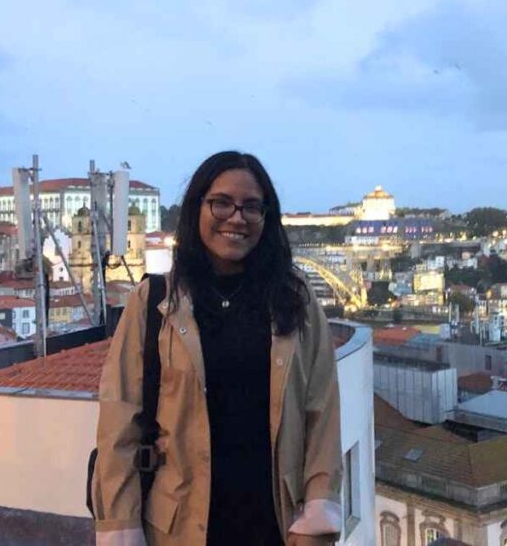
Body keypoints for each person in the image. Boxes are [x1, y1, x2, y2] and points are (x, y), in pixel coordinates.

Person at [91, 151, 342, 546]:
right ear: (197, 209)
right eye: (221, 202)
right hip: (179, 528)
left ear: (266, 217)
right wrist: (120, 526)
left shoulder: (294, 298)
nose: (237, 217)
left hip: (275, 524)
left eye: (252, 207)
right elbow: (119, 424)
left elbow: (321, 411)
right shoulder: (153, 301)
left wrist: (319, 506)